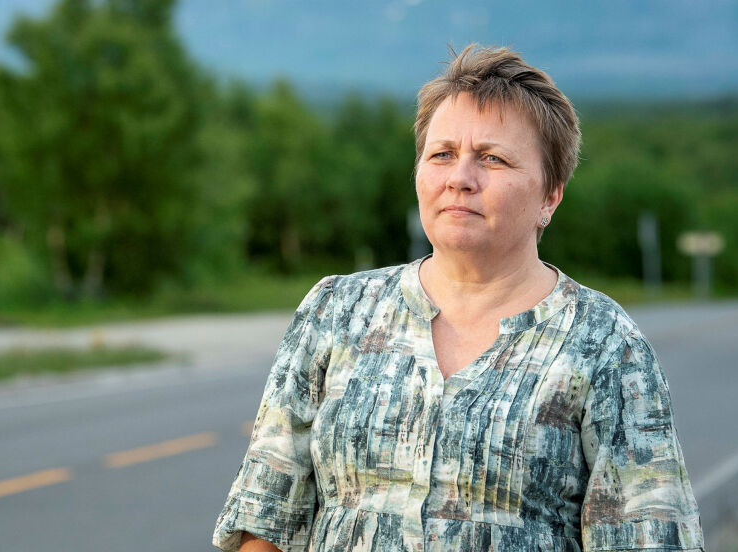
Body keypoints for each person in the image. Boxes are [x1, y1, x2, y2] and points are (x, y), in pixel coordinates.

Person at [212, 45, 705, 552]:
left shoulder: (604, 343)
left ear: (550, 195)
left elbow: (650, 537)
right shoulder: (338, 310)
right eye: (442, 154)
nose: (460, 178)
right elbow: (264, 517)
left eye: (492, 158)